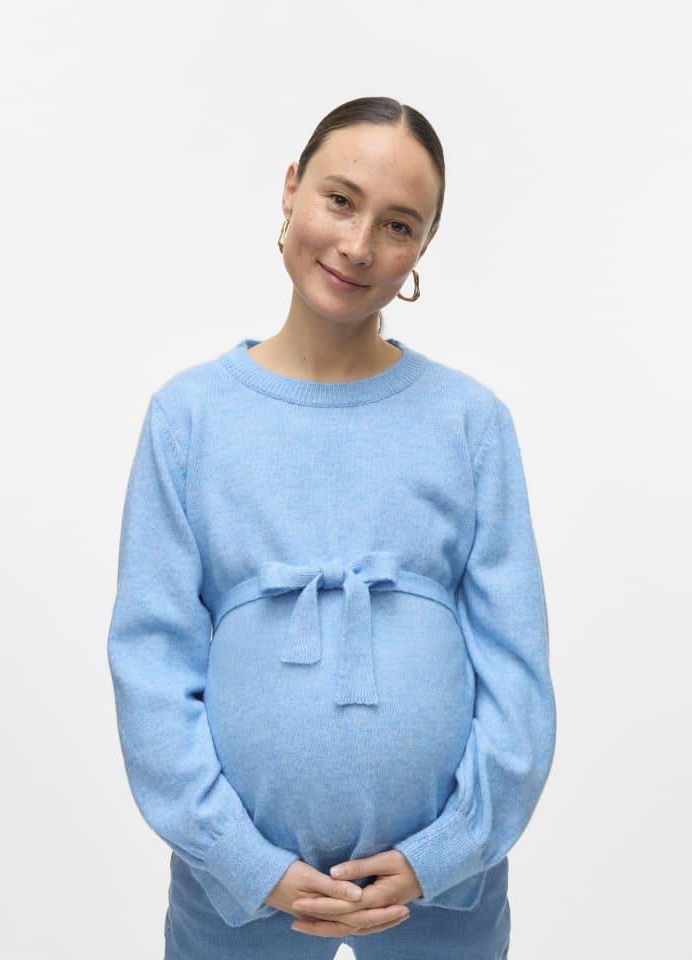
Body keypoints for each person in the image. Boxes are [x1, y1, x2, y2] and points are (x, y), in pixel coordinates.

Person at [107, 95, 557, 960]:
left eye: (398, 224)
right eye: (341, 200)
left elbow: (519, 674)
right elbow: (150, 665)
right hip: (236, 895)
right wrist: (243, 861)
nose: (358, 246)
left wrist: (444, 853)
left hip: (446, 891)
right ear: (291, 189)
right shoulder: (189, 417)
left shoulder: (469, 421)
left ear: (423, 246)